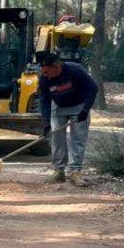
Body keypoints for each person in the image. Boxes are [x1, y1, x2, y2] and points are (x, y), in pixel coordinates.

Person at [37, 51, 98, 187]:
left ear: (56, 67)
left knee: (78, 138)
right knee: (56, 138)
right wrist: (47, 124)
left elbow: (93, 89)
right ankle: (59, 171)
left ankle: (75, 171)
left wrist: (85, 110)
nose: (45, 75)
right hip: (58, 107)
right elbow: (44, 101)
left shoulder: (75, 70)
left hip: (79, 106)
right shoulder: (44, 79)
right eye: (44, 72)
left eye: (47, 72)